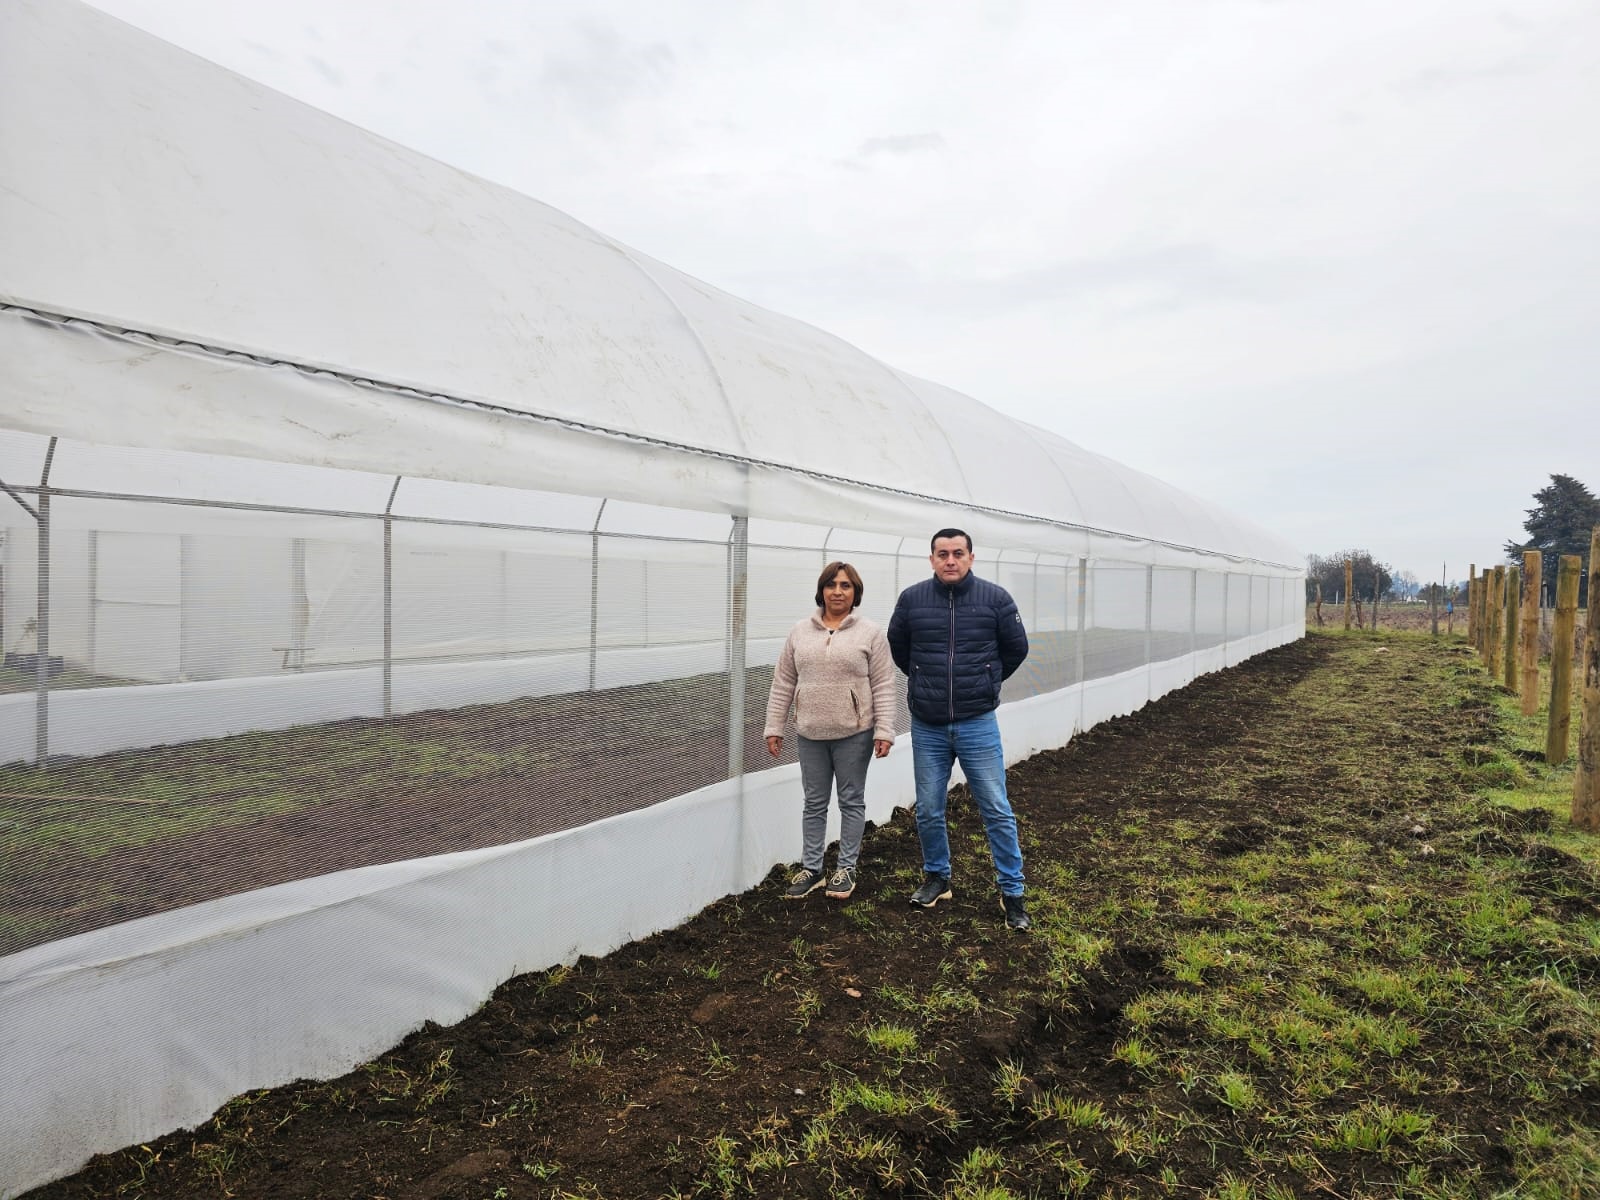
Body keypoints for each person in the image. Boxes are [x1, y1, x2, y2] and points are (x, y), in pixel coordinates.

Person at [887, 528, 1032, 931]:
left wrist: (986, 680)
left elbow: (1016, 648)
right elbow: (899, 646)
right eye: (942, 554)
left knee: (996, 809)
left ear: (971, 557)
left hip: (976, 723)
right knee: (930, 809)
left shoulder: (996, 599)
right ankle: (938, 877)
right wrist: (924, 678)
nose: (950, 560)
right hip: (928, 725)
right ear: (931, 559)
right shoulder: (912, 600)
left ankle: (1013, 893)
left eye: (958, 553)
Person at [764, 561, 896, 901]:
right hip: (810, 732)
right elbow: (783, 682)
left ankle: (846, 867)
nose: (838, 591)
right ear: (821, 590)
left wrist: (884, 729)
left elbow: (883, 683)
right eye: (832, 585)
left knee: (851, 800)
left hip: (855, 733)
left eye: (846, 585)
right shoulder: (799, 631)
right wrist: (774, 726)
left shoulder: (870, 633)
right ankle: (812, 868)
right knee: (814, 802)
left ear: (856, 593)